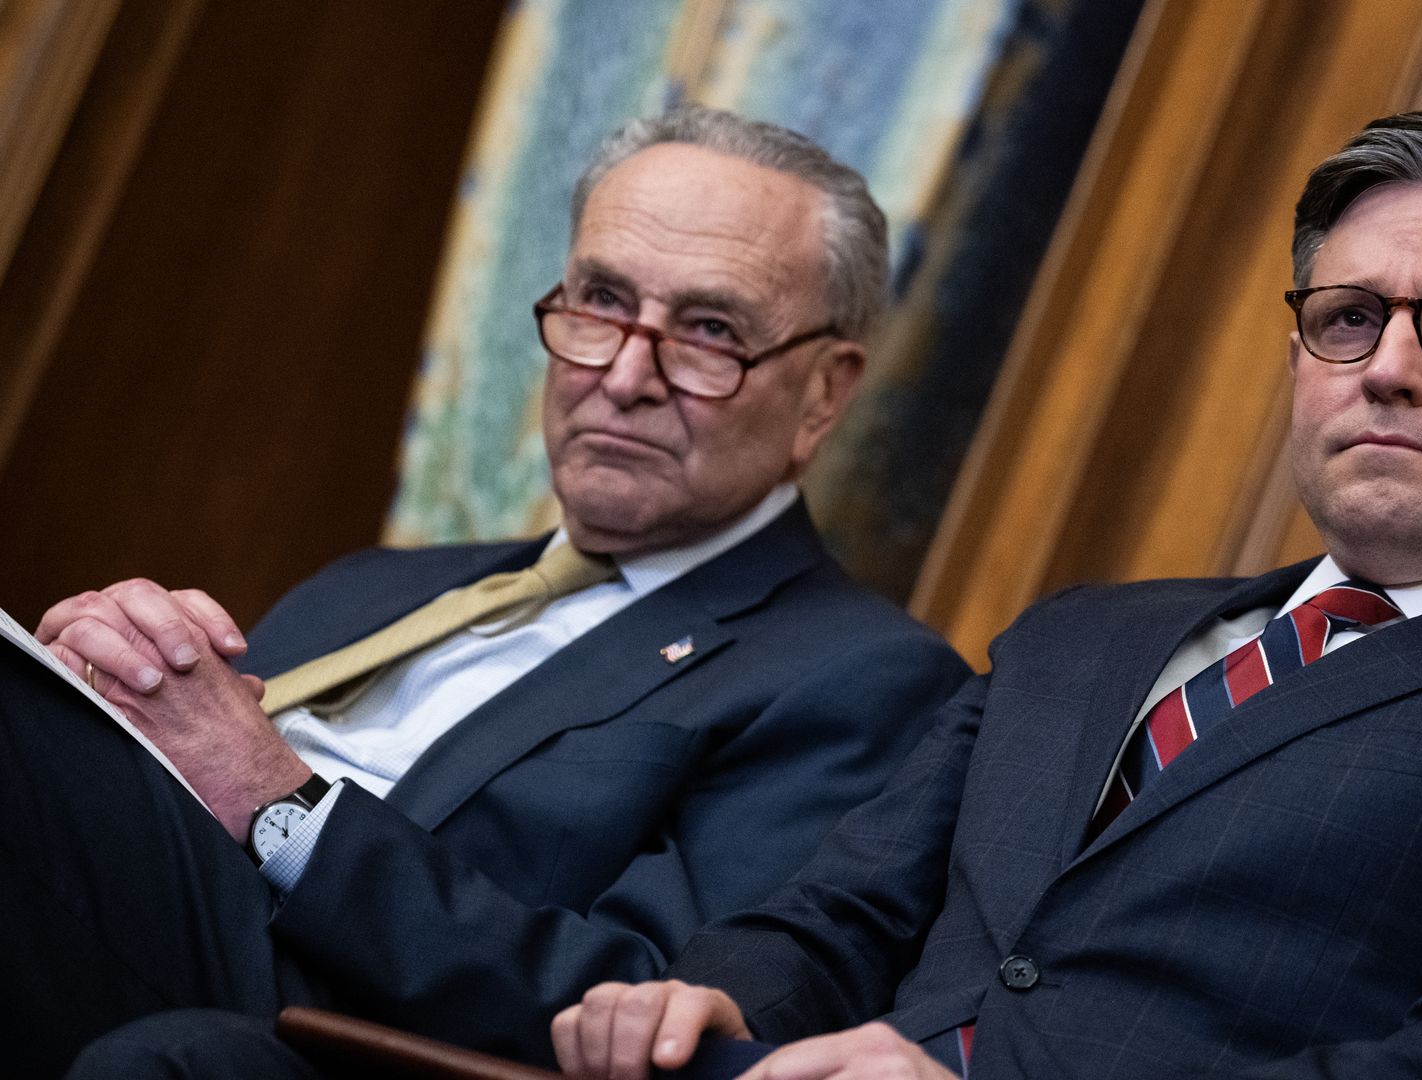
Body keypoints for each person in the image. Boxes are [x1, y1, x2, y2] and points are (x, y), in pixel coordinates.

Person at [545, 109, 1422, 1080]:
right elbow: (840, 916)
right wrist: (711, 998)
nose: (1390, 371)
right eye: (1348, 317)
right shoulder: (1081, 637)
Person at [10, 106, 971, 1076]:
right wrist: (104, 704)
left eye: (709, 331)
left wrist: (278, 804)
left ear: (824, 391)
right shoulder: (376, 585)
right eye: (600, 303)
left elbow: (651, 1010)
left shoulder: (860, 677)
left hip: (324, 1025)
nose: (626, 375)